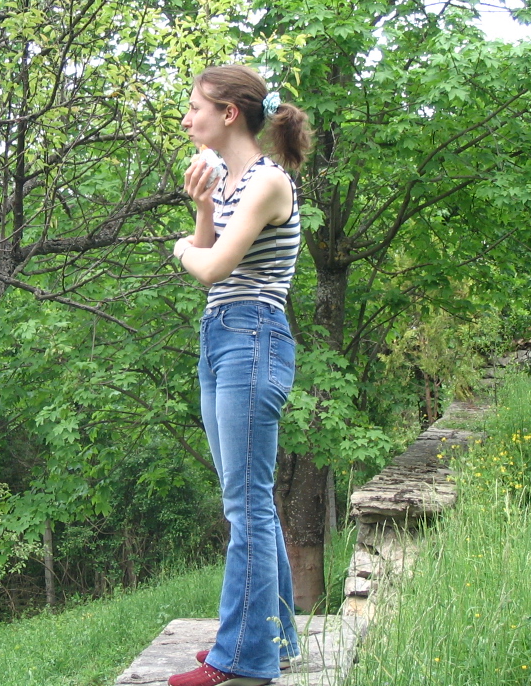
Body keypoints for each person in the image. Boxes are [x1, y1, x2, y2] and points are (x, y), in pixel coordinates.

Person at [169, 65, 312, 686]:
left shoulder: (268, 181)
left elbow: (209, 266)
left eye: (195, 108)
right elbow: (211, 249)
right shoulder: (229, 183)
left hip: (253, 335)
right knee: (245, 500)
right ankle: (275, 642)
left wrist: (180, 246)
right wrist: (202, 208)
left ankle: (241, 659)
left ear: (229, 113)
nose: (186, 119)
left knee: (247, 504)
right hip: (222, 335)